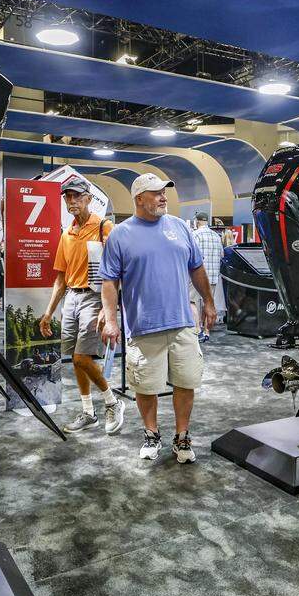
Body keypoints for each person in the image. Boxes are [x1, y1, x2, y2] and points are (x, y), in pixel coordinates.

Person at [99, 174, 217, 463]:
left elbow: (197, 267)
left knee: (186, 382)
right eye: (156, 193)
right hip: (144, 327)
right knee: (145, 386)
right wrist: (111, 319)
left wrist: (209, 302)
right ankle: (151, 434)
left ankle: (182, 436)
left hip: (182, 323)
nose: (163, 197)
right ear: (139, 198)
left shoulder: (179, 227)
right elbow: (109, 281)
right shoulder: (120, 235)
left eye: (164, 192)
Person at [38, 176, 122, 434]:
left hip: (94, 297)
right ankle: (88, 412)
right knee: (75, 359)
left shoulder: (104, 227)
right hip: (72, 298)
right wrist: (49, 312)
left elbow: (117, 270)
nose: (72, 200)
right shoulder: (67, 234)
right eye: (68, 197)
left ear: (88, 198)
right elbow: (61, 278)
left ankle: (112, 401)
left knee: (81, 357)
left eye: (77, 196)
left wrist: (108, 309)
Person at [190, 212, 223, 343]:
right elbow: (222, 255)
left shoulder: (195, 235)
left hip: (198, 275)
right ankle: (206, 331)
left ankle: (197, 330)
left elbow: (191, 256)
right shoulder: (216, 236)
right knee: (208, 303)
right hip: (213, 275)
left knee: (192, 301)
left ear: (197, 221)